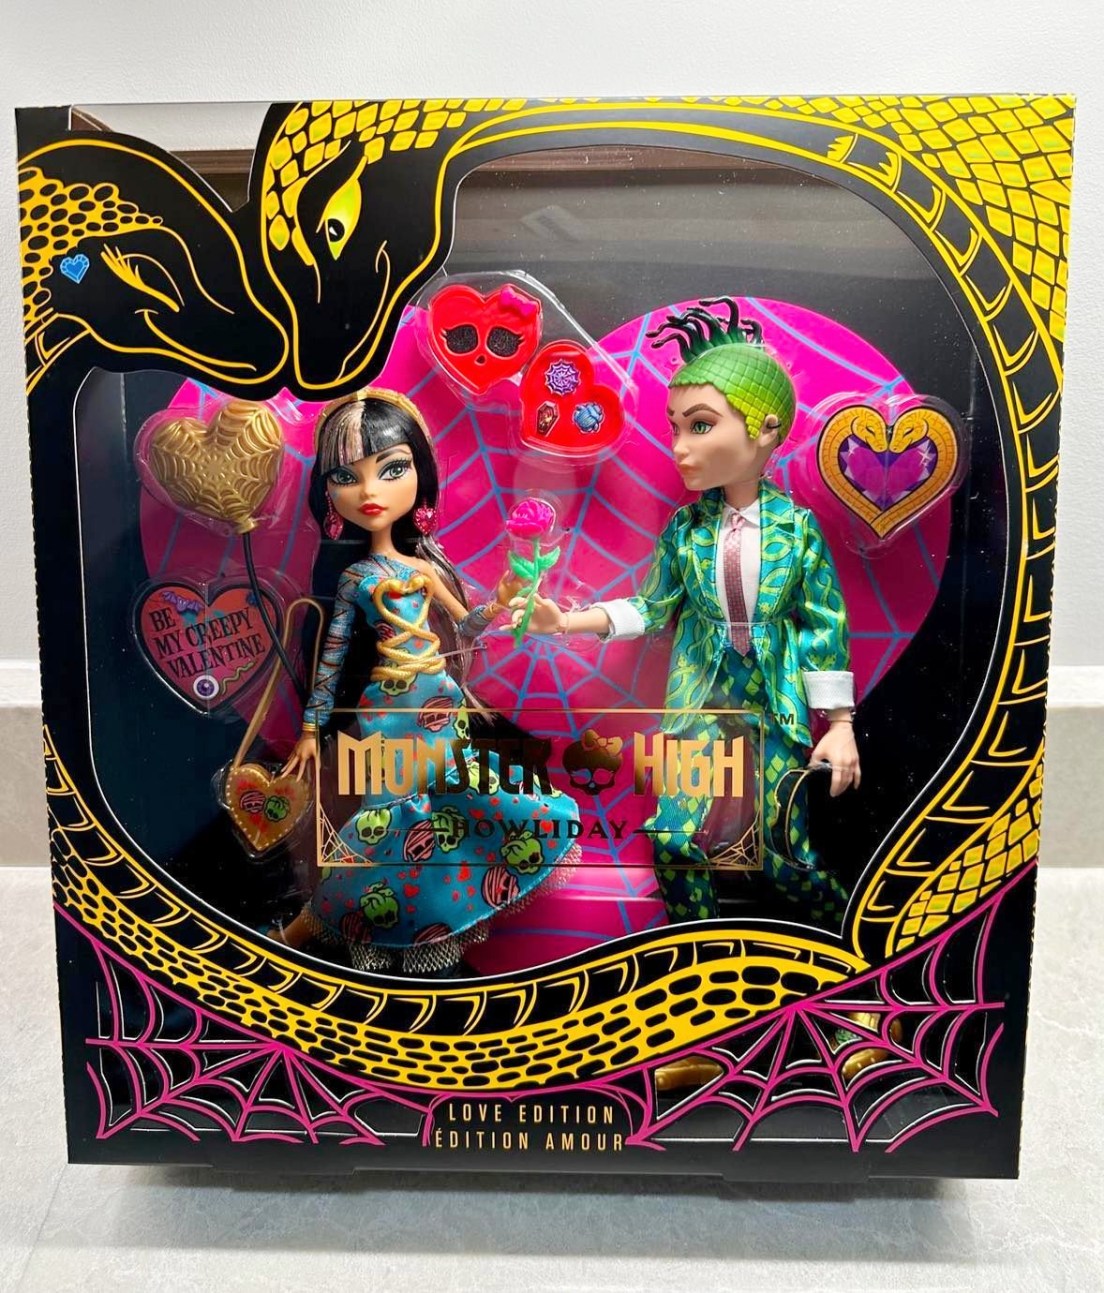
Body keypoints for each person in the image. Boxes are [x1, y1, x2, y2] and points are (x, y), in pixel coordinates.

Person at [515, 300, 858, 930]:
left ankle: (854, 945)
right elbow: (652, 607)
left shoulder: (797, 528)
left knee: (786, 854)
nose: (679, 446)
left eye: (700, 425)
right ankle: (692, 948)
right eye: (675, 427)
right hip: (699, 693)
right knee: (673, 839)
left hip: (775, 700)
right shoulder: (686, 529)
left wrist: (839, 723)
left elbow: (824, 624)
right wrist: (564, 622)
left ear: (766, 429)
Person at [278, 387, 580, 975]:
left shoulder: (422, 567)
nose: (370, 491)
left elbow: (466, 625)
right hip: (387, 711)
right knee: (388, 822)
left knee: (461, 803)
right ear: (329, 494)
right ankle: (313, 925)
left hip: (438, 699)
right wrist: (311, 730)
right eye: (347, 477)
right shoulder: (354, 578)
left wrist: (502, 597)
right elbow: (333, 656)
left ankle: (439, 913)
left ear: (419, 473)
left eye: (391, 470)